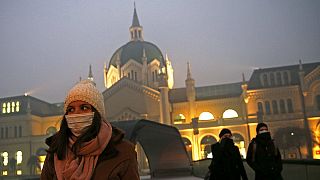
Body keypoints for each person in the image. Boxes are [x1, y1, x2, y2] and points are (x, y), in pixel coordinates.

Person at [41, 80, 139, 180]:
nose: (76, 114)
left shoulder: (123, 151)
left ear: (97, 114)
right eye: (70, 109)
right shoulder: (56, 150)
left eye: (84, 108)